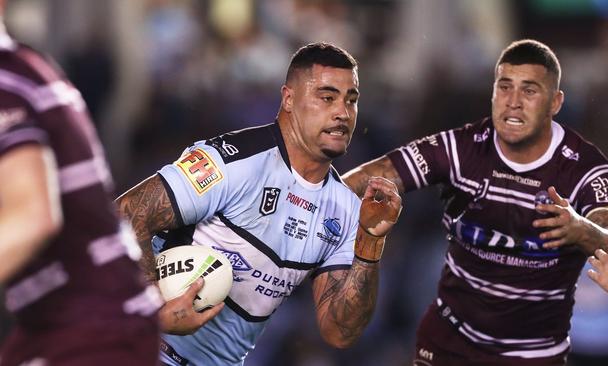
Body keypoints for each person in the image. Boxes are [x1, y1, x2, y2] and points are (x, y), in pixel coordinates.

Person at [342, 39, 608, 365]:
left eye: (529, 91)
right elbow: (378, 174)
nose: (513, 102)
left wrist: (582, 231)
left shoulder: (585, 170)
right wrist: (306, 200)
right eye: (505, 87)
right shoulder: (461, 146)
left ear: (555, 103)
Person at [116, 42, 402, 365]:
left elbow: (339, 332)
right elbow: (126, 213)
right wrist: (154, 306)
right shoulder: (232, 163)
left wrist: (371, 241)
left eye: (351, 101)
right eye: (327, 97)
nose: (342, 112)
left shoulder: (346, 210)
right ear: (289, 99)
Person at [0, 2, 161, 365]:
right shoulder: (25, 70)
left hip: (90, 328)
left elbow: (31, 217)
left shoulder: (6, 81)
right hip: (61, 325)